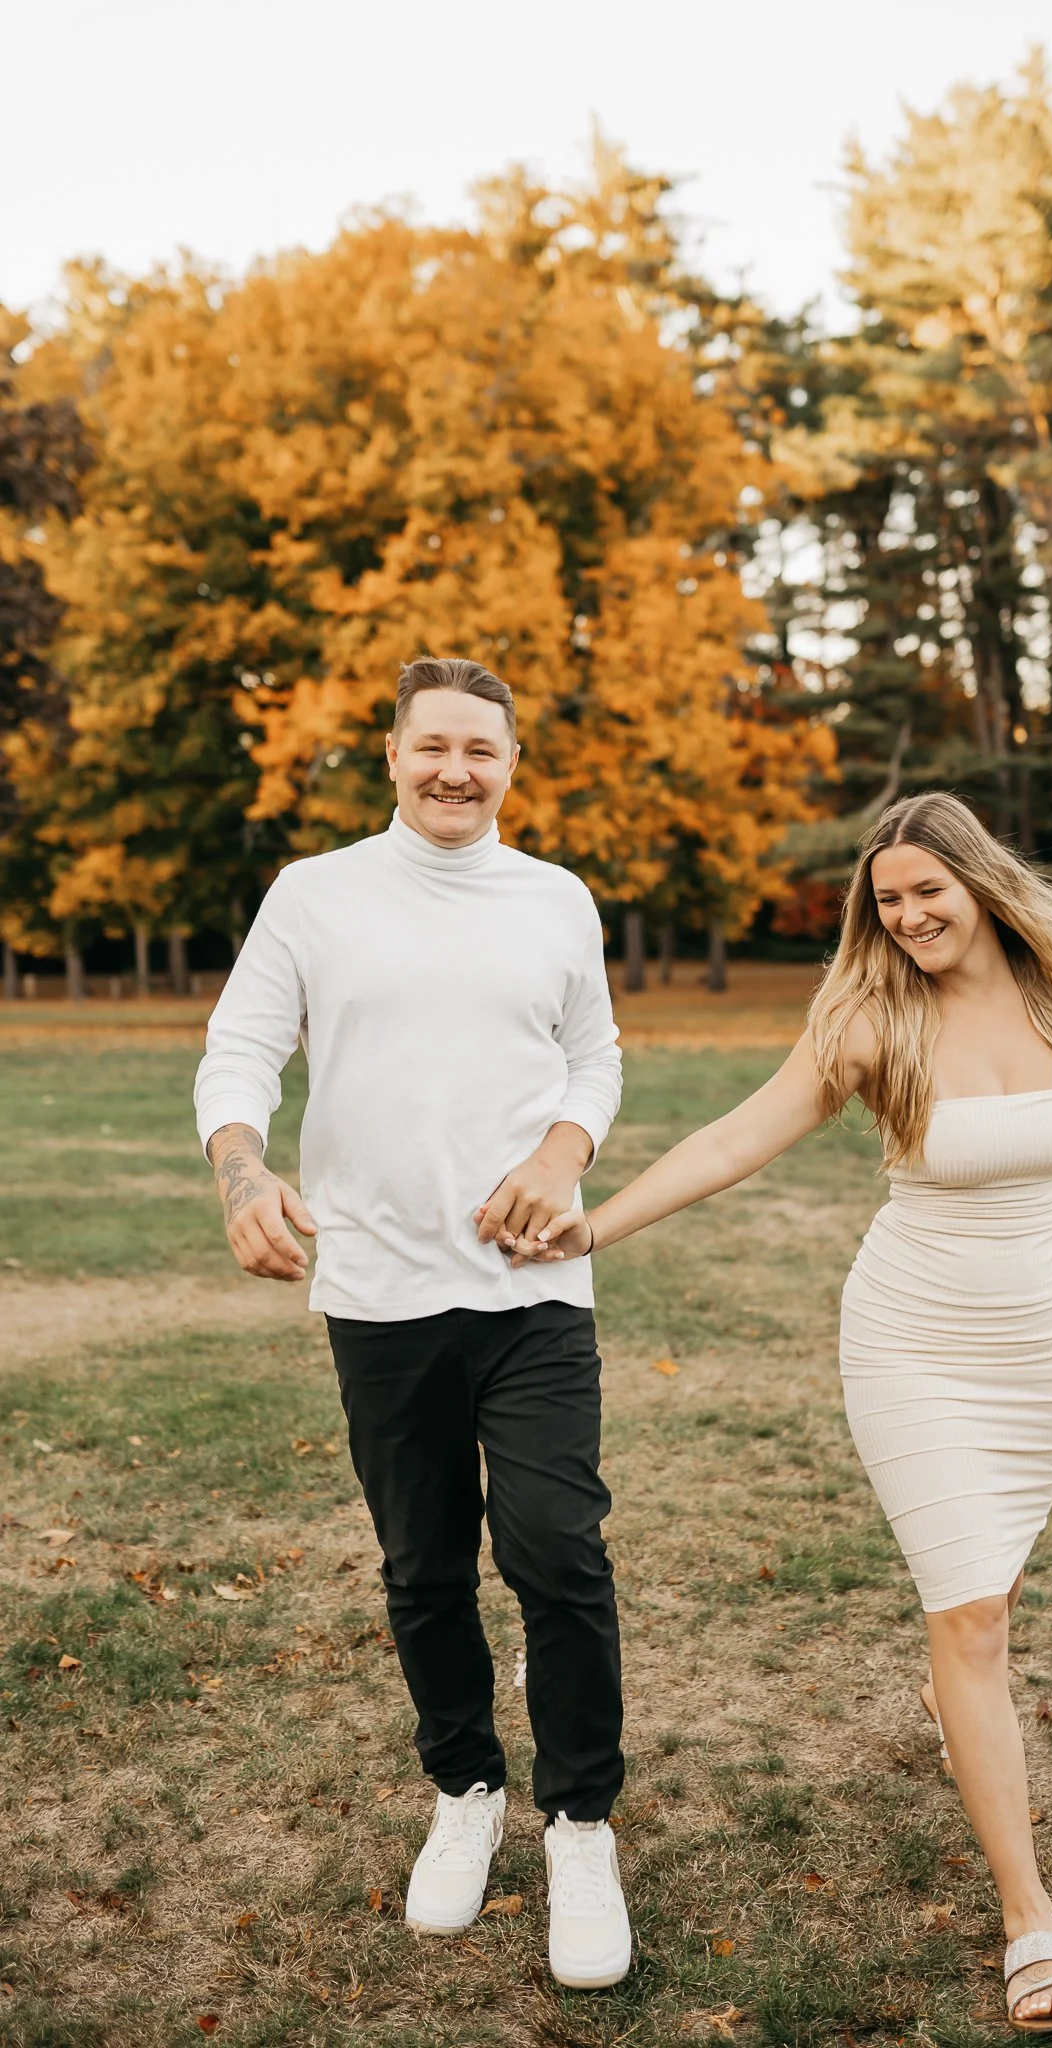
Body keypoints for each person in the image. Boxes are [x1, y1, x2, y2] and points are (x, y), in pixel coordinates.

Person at [520, 792, 1052, 2035]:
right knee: (970, 1612)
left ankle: (950, 1693)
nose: (910, 914)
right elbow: (733, 1140)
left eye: (929, 889)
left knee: (985, 1600)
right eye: (887, 899)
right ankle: (1032, 1919)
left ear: (978, 882)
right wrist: (594, 1220)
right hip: (912, 1340)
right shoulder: (872, 1021)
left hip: (1039, 1342)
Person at [193, 656, 633, 1991]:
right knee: (422, 1565)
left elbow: (594, 1056)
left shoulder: (555, 899)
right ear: (391, 752)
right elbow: (239, 1050)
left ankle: (579, 1824)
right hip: (379, 1293)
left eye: (481, 752)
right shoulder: (313, 895)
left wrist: (563, 1157)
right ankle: (465, 1789)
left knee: (556, 1547)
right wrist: (241, 1173)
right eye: (432, 745)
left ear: (510, 765)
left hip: (531, 1284)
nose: (456, 771)